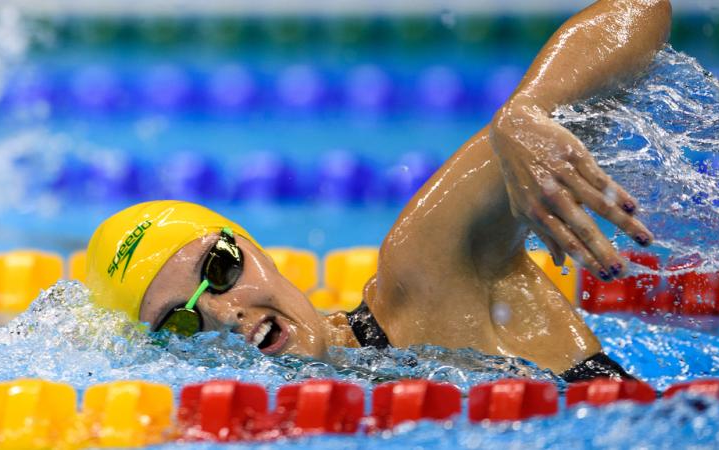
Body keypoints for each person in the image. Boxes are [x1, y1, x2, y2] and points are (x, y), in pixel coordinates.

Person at [85, 0, 671, 381]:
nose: (224, 311)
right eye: (180, 323)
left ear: (253, 247)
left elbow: (642, 10)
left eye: (219, 268)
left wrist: (526, 111)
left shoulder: (428, 274)